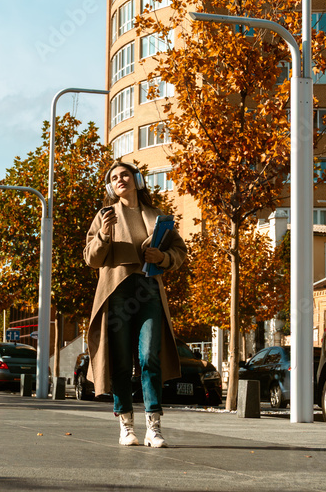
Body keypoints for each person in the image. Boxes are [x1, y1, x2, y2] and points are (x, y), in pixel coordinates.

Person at [83, 161, 187, 448]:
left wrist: (162, 259)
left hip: (148, 290)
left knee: (149, 356)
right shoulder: (105, 216)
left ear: (136, 179)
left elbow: (180, 251)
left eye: (125, 175)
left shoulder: (156, 216)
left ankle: (154, 426)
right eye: (114, 178)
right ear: (110, 186)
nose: (120, 180)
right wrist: (103, 234)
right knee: (119, 360)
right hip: (116, 291)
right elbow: (91, 258)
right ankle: (126, 425)